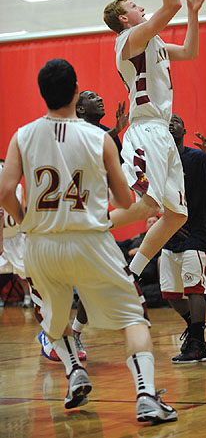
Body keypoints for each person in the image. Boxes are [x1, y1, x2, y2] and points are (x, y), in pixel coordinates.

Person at [0, 58, 178, 423]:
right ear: (76, 90)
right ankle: (145, 396)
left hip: (40, 245)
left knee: (54, 318)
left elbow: (5, 190)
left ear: (42, 93)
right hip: (90, 241)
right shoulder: (99, 138)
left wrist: (26, 221)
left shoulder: (22, 136)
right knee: (135, 319)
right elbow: (126, 202)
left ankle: (74, 373)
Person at [103, 0, 206, 281]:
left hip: (162, 134)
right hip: (146, 129)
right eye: (134, 6)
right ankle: (86, 225)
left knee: (177, 215)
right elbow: (171, 3)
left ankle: (131, 273)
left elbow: (191, 51)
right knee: (148, 205)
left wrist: (193, 13)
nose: (141, 7)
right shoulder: (128, 40)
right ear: (123, 19)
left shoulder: (155, 42)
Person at [38, 90, 129, 362]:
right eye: (91, 97)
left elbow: (117, 182)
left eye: (101, 95)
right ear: (79, 109)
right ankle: (51, 332)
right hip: (61, 220)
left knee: (96, 285)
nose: (100, 99)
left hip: (91, 221)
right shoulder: (67, 131)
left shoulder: (109, 138)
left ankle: (73, 332)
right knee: (61, 288)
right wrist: (115, 131)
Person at [160, 114, 206, 363]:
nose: (171, 122)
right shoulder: (158, 160)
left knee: (194, 288)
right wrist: (167, 220)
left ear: (184, 130)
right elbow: (148, 194)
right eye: (166, 120)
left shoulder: (198, 158)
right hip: (170, 231)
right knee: (169, 293)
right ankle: (195, 331)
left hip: (196, 233)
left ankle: (197, 344)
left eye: (176, 120)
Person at [0, 159, 32, 308]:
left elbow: (23, 209)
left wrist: (26, 231)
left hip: (15, 235)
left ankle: (28, 298)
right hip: (2, 237)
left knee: (25, 271)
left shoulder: (18, 188)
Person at [117, 216, 167, 308]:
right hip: (129, 271)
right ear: (146, 225)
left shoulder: (163, 239)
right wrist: (130, 252)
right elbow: (117, 247)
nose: (152, 223)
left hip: (148, 271)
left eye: (154, 222)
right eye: (149, 222)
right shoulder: (136, 238)